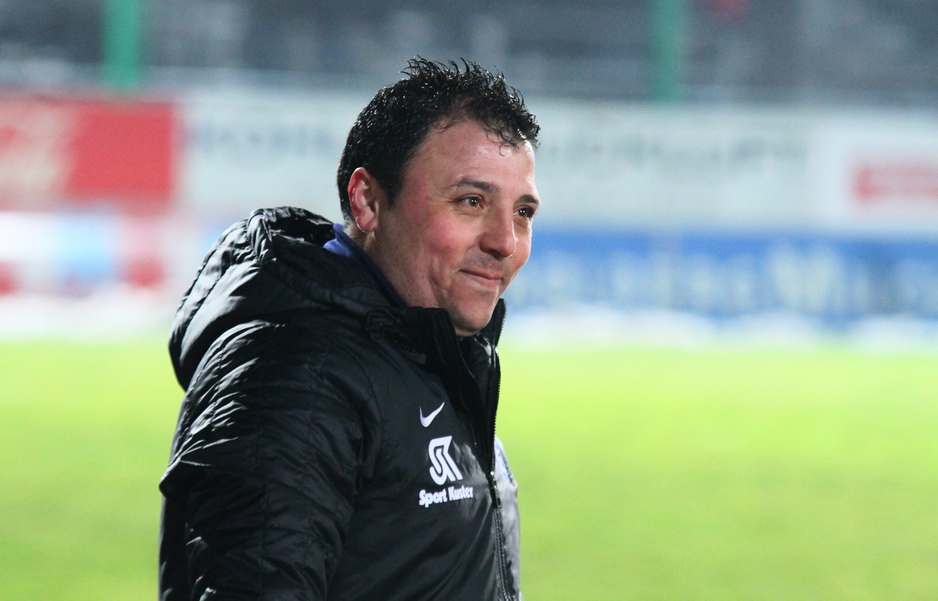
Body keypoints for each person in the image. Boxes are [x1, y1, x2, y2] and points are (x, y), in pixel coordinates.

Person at [158, 57, 541, 601]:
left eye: (523, 212)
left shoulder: (426, 352)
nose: (505, 241)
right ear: (367, 202)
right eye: (471, 202)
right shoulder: (301, 379)